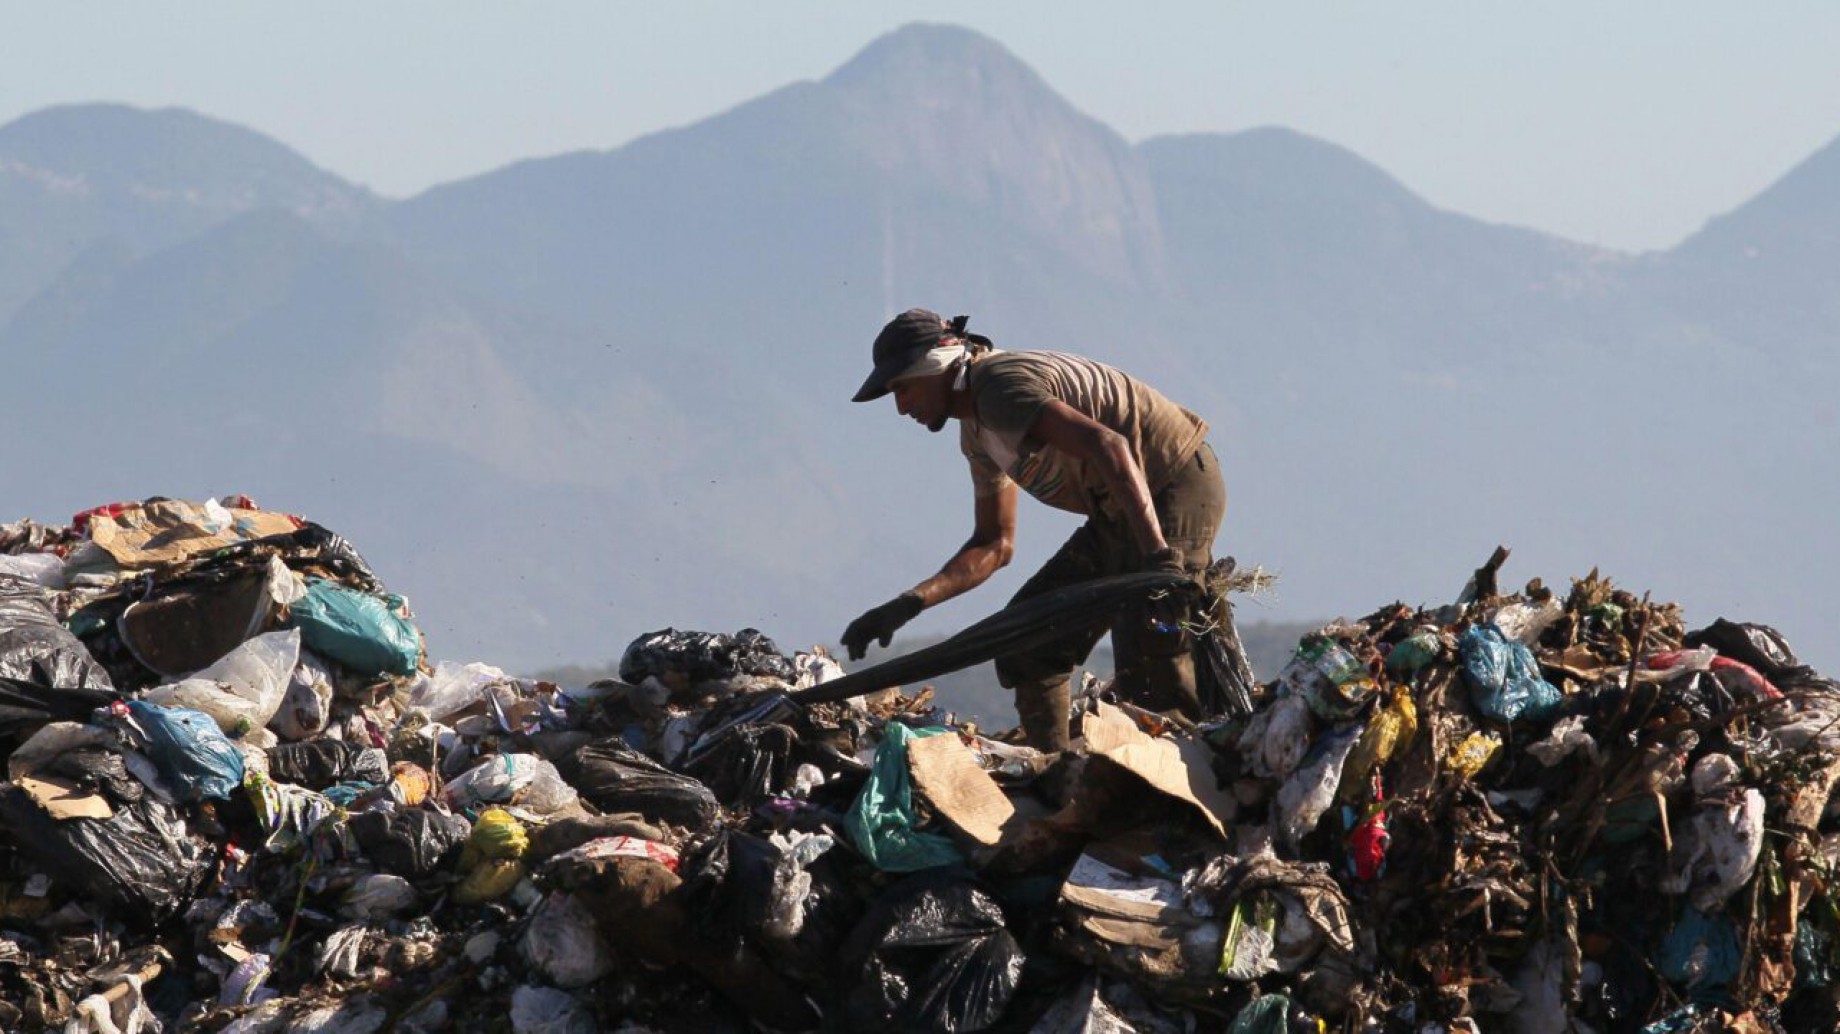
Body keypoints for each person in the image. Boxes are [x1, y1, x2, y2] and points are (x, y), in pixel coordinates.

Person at [841, 309, 1226, 751]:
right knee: (1028, 643)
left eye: (903, 387)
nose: (901, 406)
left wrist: (1157, 557)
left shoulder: (998, 389)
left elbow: (1109, 444)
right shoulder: (977, 434)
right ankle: (1057, 772)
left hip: (1174, 482)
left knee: (1154, 624)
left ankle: (1183, 776)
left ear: (937, 364)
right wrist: (908, 604)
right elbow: (994, 544)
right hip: (1116, 511)